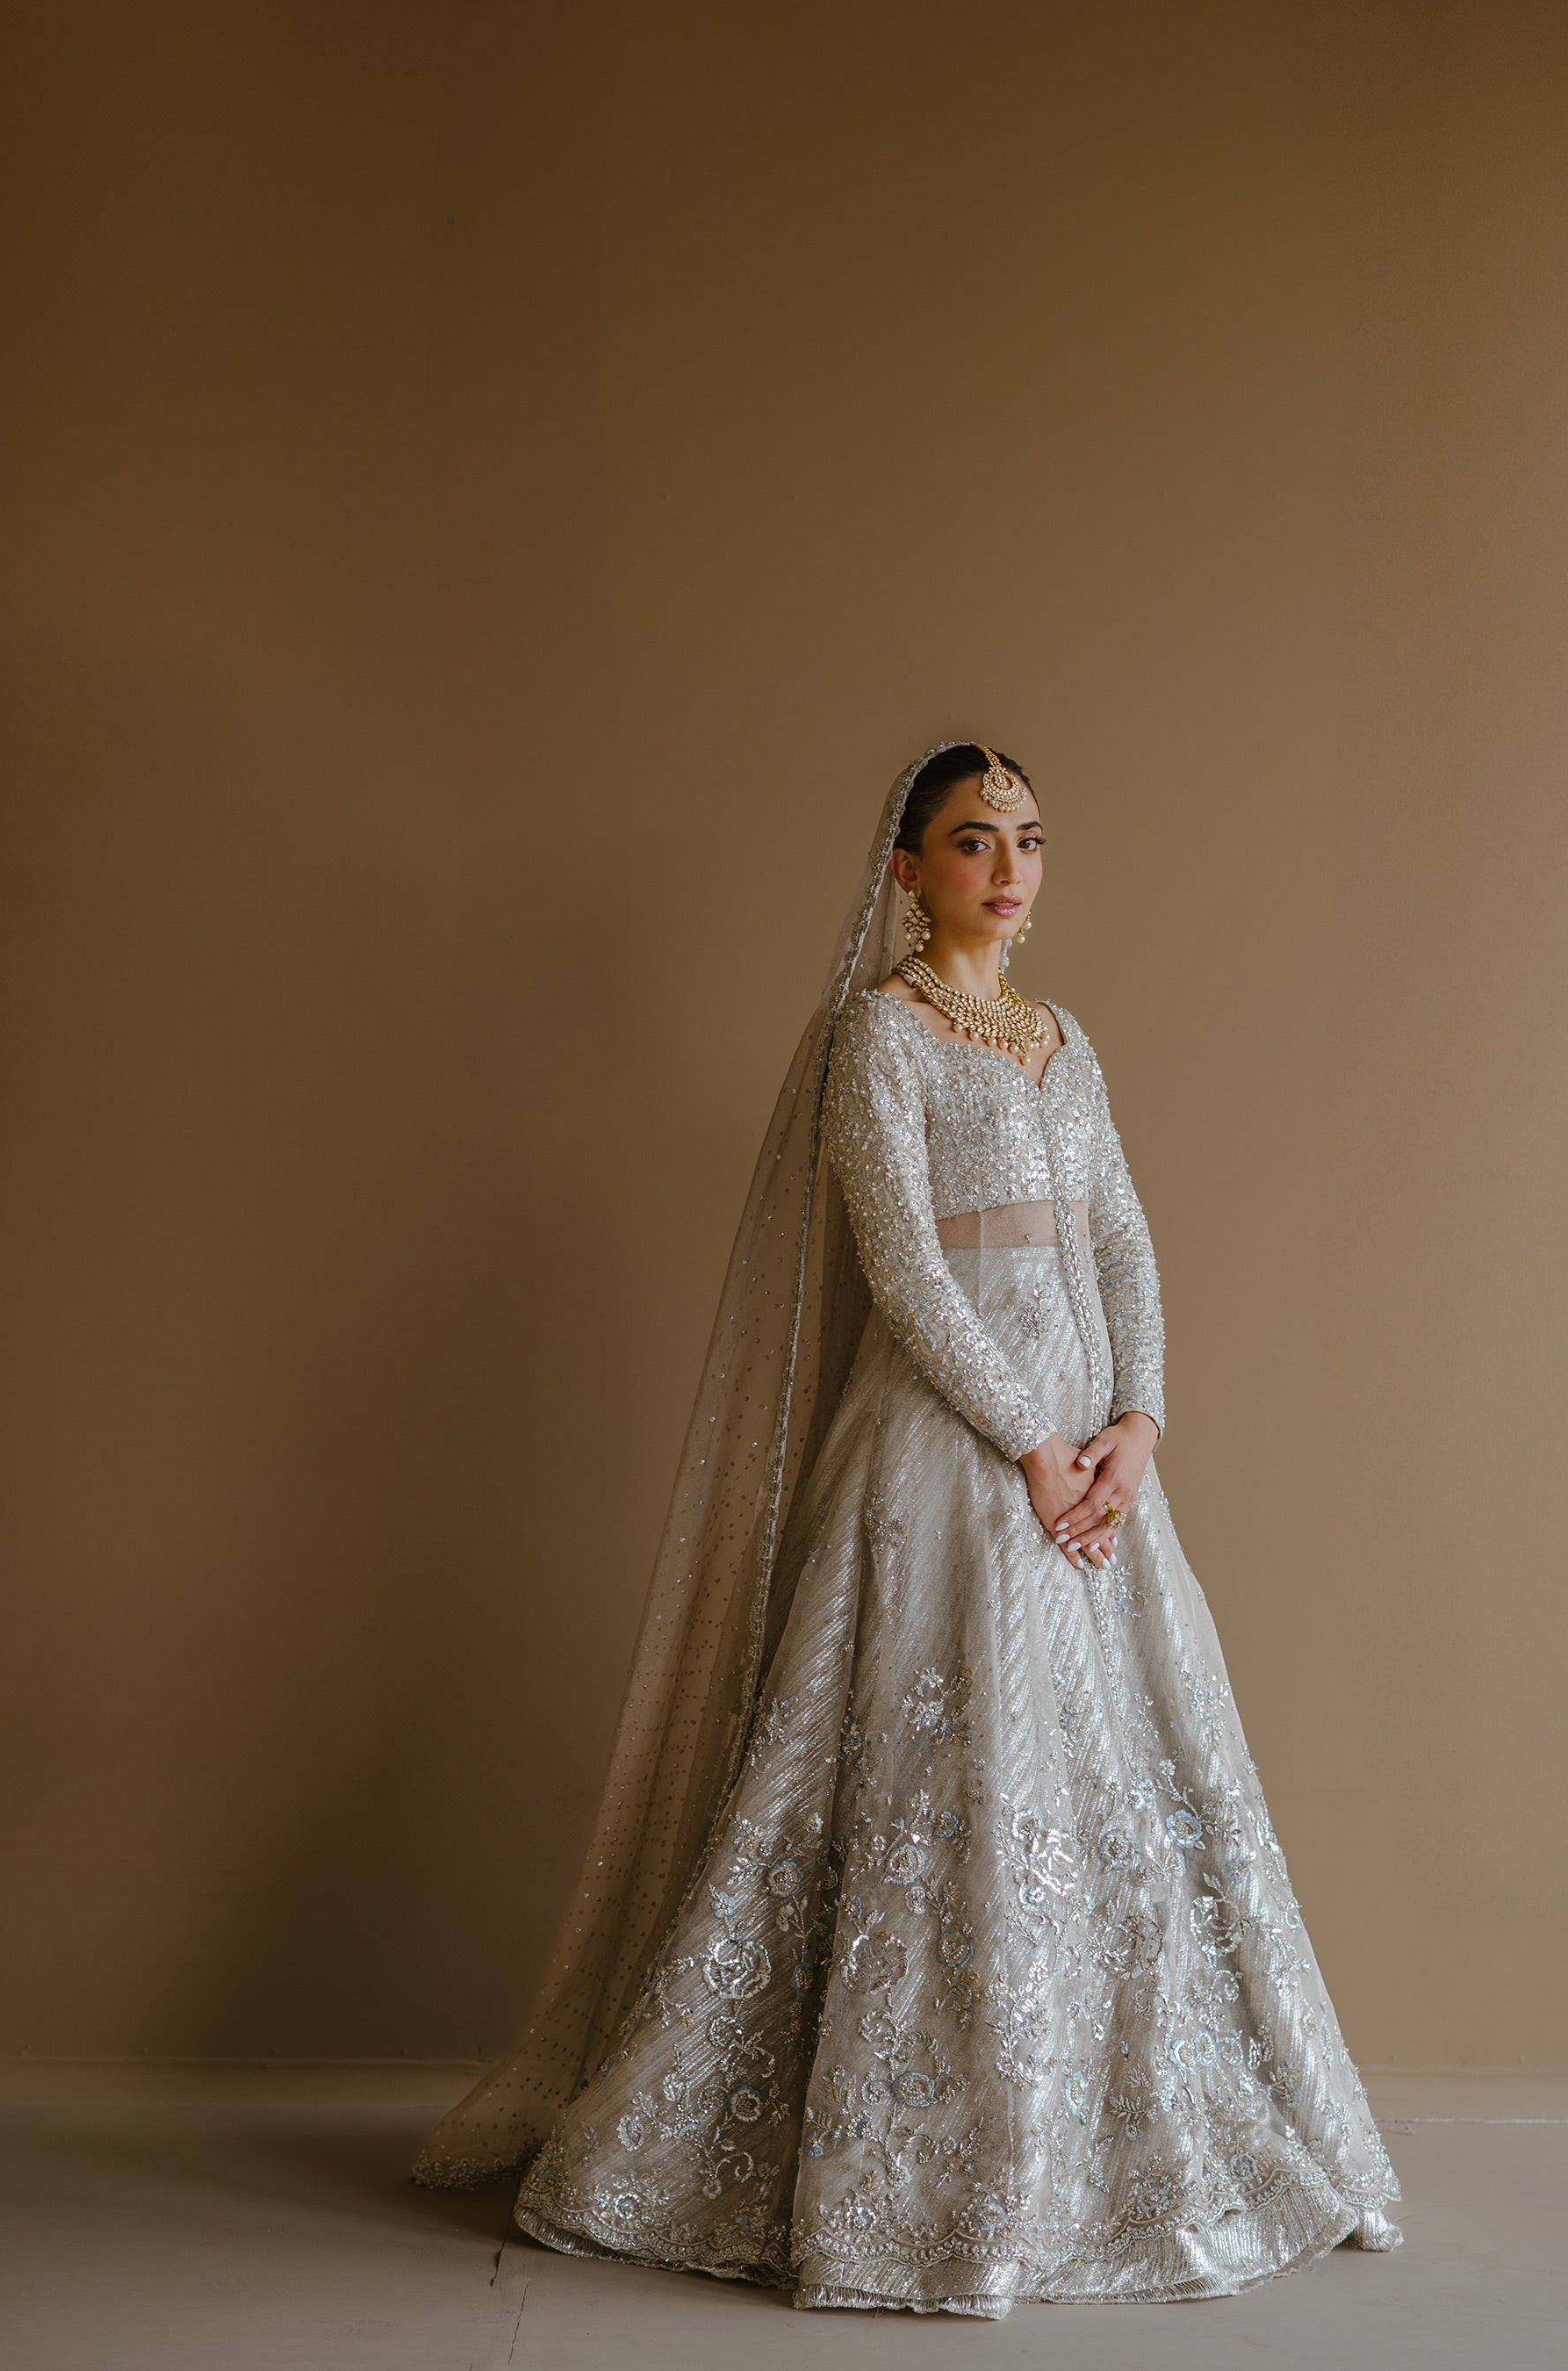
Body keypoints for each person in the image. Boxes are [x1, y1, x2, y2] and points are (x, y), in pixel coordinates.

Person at [413, 742, 1400, 2316]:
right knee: (936, 1777)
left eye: (1028, 840)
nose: (1008, 869)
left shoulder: (1066, 1044)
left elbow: (1129, 1244)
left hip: (1095, 1468)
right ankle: (914, 2168)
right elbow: (909, 1274)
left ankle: (1124, 2129)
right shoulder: (877, 1039)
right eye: (970, 841)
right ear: (905, 872)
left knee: (1122, 1780)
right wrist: (1032, 1448)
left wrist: (1138, 1427)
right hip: (958, 1461)